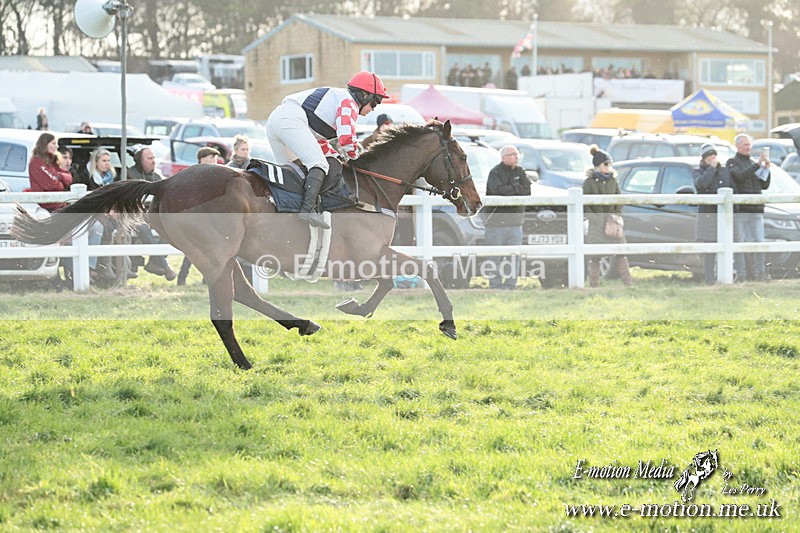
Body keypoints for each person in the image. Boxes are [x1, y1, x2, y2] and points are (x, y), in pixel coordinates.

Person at [266, 70, 389, 229]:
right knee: (320, 165)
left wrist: (338, 157)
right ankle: (308, 210)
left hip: (278, 120)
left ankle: (285, 214)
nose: (373, 108)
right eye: (375, 102)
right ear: (364, 94)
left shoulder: (337, 100)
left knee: (291, 172)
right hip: (290, 119)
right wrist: (358, 160)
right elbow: (346, 139)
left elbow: (319, 144)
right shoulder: (349, 102)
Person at [583, 145, 633, 287]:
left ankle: (628, 284)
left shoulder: (613, 181)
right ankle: (594, 284)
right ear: (598, 165)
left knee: (620, 253)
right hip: (597, 224)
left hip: (613, 222)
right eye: (606, 164)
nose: (609, 166)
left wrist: (616, 215)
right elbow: (585, 204)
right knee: (595, 256)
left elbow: (619, 199)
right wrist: (595, 219)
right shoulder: (588, 183)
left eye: (610, 164)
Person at [483, 145, 531, 289]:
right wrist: (517, 187)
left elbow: (527, 190)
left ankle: (511, 285)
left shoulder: (520, 171)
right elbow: (498, 191)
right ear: (504, 157)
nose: (517, 157)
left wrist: (513, 189)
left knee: (514, 257)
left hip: (516, 223)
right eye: (513, 154)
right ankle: (495, 285)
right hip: (496, 223)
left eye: (517, 154)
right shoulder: (495, 173)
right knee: (494, 256)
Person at [126, 146, 177, 280]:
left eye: (154, 158)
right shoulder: (129, 174)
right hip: (134, 216)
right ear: (139, 161)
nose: (153, 161)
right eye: (149, 158)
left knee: (170, 227)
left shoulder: (157, 176)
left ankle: (154, 262)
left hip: (152, 216)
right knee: (143, 228)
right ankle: (164, 265)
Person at [726, 133, 771, 282]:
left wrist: (766, 169)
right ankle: (742, 274)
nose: (748, 147)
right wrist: (757, 165)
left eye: (749, 145)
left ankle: (761, 273)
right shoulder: (732, 162)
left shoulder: (753, 163)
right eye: (745, 144)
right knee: (740, 244)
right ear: (737, 146)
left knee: (760, 243)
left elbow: (764, 185)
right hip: (742, 211)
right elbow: (739, 177)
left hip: (756, 210)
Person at [693, 143, 734, 285]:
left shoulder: (723, 171)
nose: (712, 157)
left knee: (726, 246)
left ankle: (725, 277)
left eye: (714, 155)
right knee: (710, 249)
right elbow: (702, 184)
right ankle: (709, 279)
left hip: (723, 216)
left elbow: (730, 188)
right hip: (708, 215)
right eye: (709, 155)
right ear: (704, 158)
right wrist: (711, 169)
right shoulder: (697, 172)